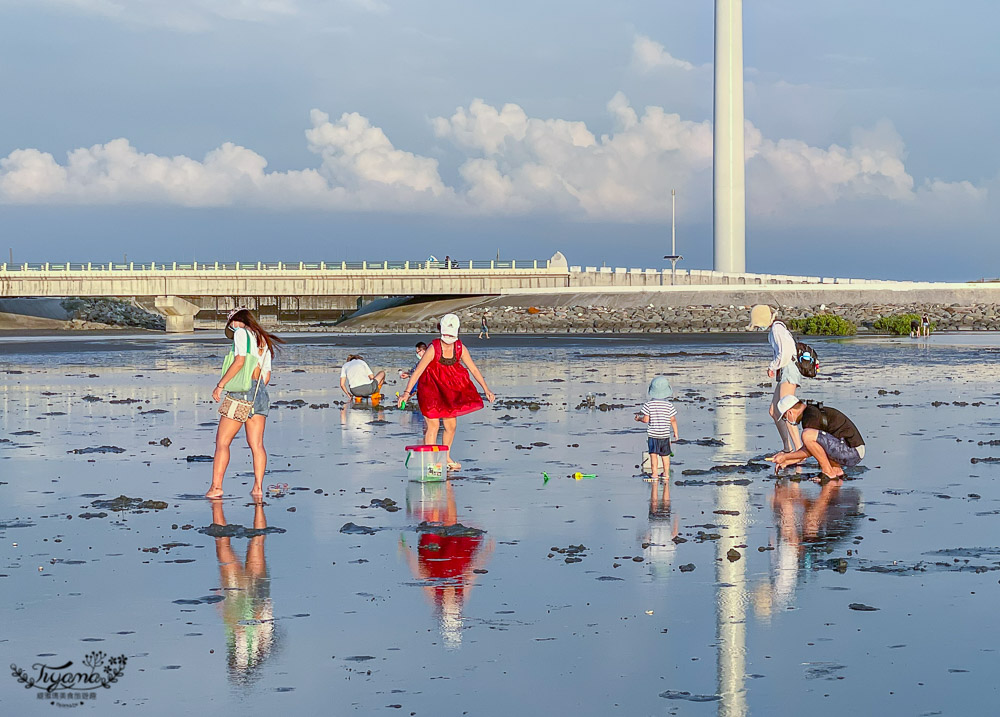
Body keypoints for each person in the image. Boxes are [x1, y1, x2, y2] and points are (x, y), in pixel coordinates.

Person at [398, 313, 495, 472]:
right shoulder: (433, 348)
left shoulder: (459, 348)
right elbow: (418, 372)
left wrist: (486, 389)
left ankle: (446, 457)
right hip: (430, 389)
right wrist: (406, 393)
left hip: (449, 390)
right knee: (433, 425)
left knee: (451, 425)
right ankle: (431, 464)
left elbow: (473, 368)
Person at [207, 308, 284, 499]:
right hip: (260, 392)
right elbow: (266, 375)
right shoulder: (263, 339)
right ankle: (258, 487)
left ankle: (216, 487)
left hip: (241, 392)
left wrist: (220, 385)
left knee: (222, 442)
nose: (231, 329)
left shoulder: (241, 333)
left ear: (235, 321)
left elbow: (239, 361)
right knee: (257, 444)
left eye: (230, 325)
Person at [747, 305, 803, 453]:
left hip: (789, 369)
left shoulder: (777, 329)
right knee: (774, 411)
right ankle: (787, 448)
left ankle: (799, 450)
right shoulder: (776, 329)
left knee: (787, 411)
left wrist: (772, 366)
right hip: (785, 370)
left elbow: (785, 353)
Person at [768, 397, 866, 479]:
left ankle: (828, 472)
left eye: (785, 418)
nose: (787, 421)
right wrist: (788, 461)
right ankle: (836, 470)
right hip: (850, 449)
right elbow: (815, 448)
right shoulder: (810, 411)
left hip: (852, 452)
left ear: (790, 412)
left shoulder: (810, 417)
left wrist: (785, 457)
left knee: (807, 435)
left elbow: (809, 450)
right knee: (812, 437)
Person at [634, 376, 679, 481]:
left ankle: (654, 474)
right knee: (665, 456)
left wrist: (638, 419)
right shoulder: (669, 405)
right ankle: (666, 474)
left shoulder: (648, 405)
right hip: (665, 435)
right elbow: (673, 420)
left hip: (653, 435)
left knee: (653, 455)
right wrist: (676, 433)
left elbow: (646, 420)